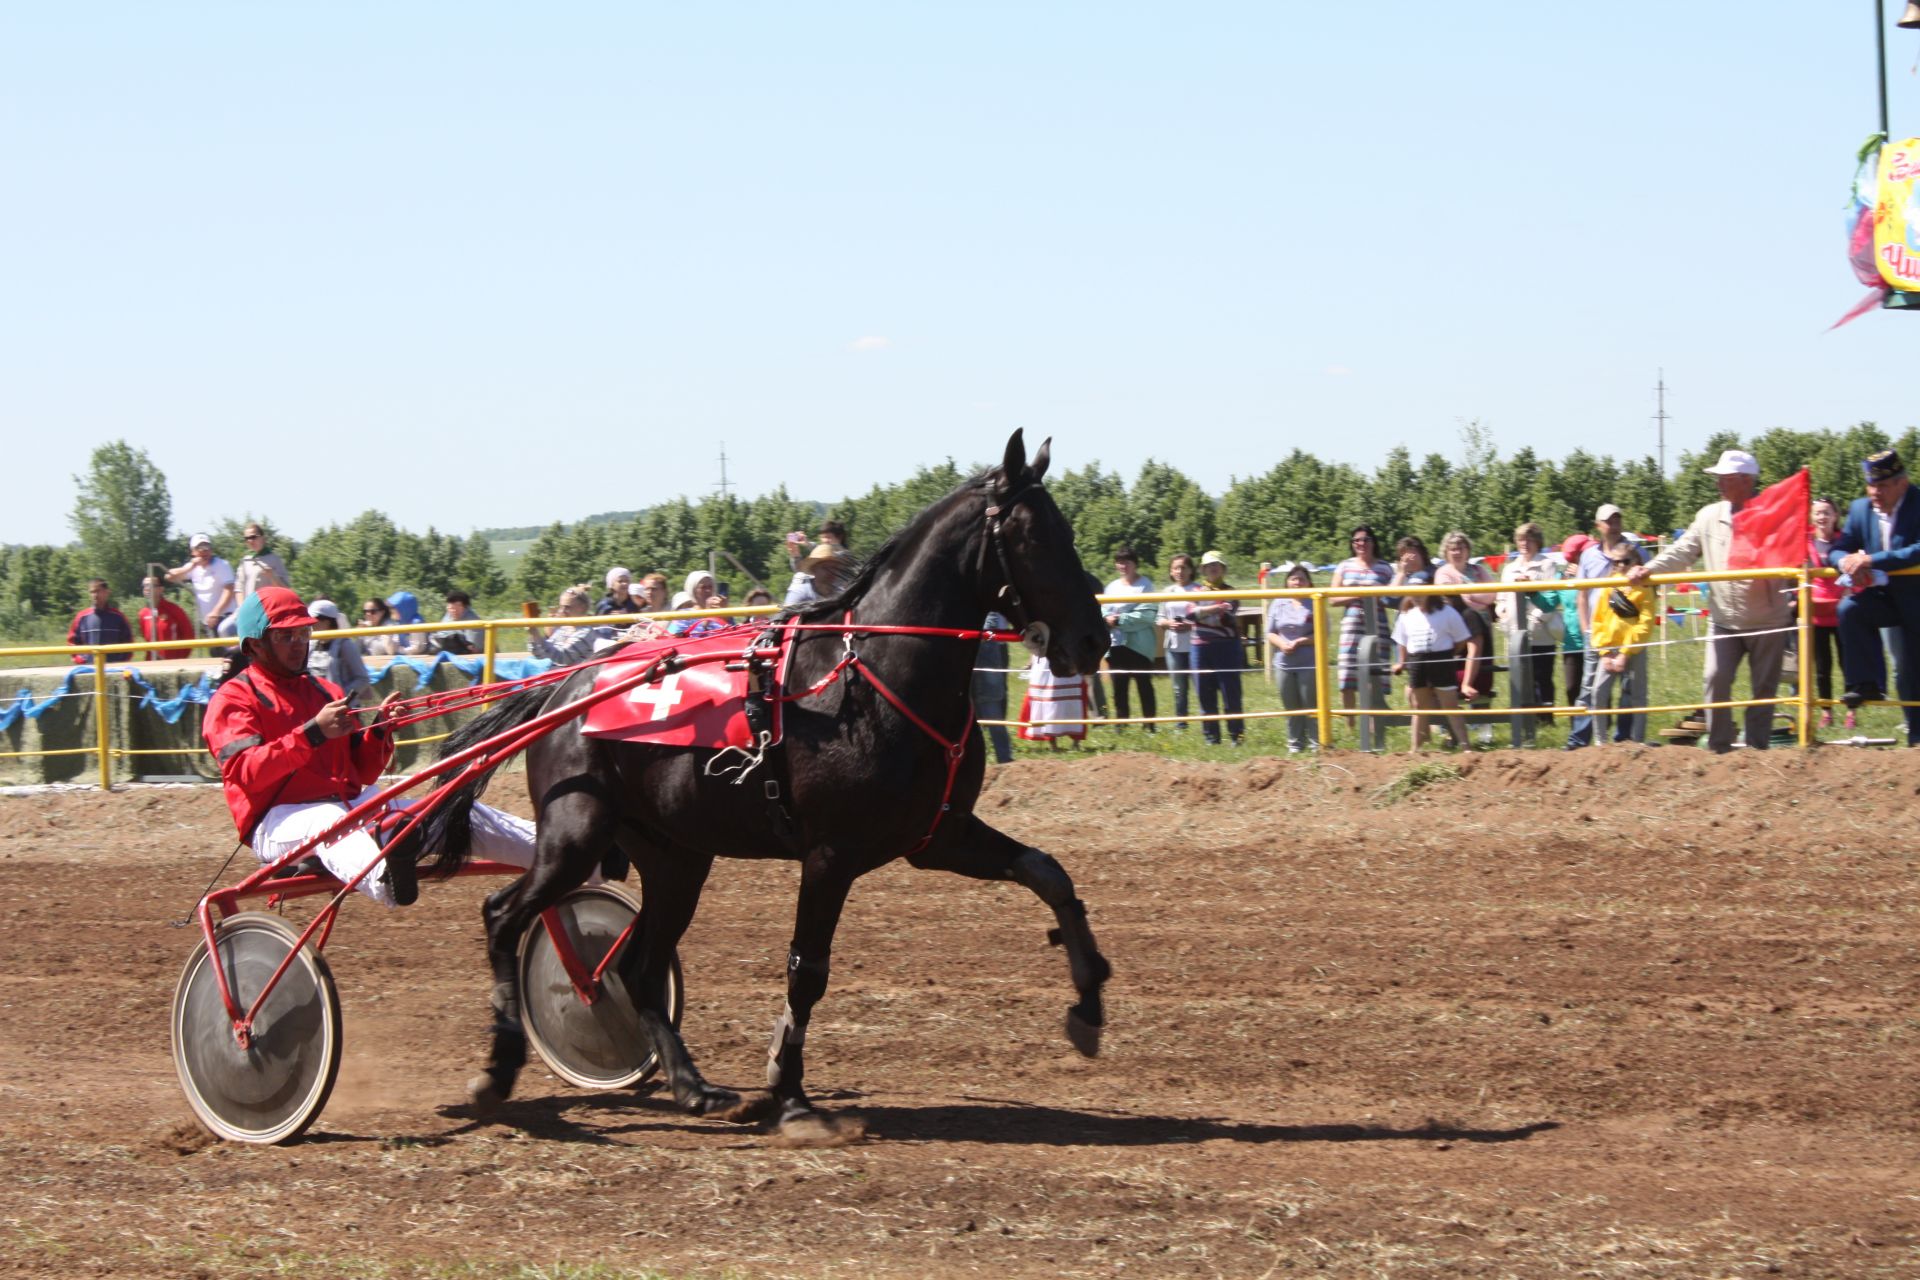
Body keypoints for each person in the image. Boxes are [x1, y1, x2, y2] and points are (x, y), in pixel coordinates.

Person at [201, 586, 537, 907]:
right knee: (327, 818)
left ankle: (560, 850)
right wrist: (312, 735)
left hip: (351, 809)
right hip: (277, 823)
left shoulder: (326, 691)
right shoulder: (234, 698)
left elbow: (361, 772)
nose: (298, 644)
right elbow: (246, 773)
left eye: (303, 634)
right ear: (255, 645)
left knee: (454, 807)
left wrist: (379, 731)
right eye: (285, 636)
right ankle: (388, 881)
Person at [1632, 449, 1792, 753]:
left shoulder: (1772, 515)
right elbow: (1682, 551)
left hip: (1768, 620)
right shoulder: (1708, 516)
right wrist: (1648, 569)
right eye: (1718, 478)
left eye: (1725, 478)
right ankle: (1720, 749)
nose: (1719, 483)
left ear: (1746, 481)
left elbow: (1791, 552)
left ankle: (1757, 750)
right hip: (1723, 620)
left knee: (1764, 690)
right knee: (1714, 679)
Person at [1829, 448, 1920, 745]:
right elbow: (1838, 547)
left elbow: (1916, 550)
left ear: (1901, 483)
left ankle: (1917, 738)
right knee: (1849, 610)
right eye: (1871, 485)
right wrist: (1846, 562)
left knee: (1910, 668)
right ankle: (1866, 684)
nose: (1874, 492)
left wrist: (1872, 561)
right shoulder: (1859, 509)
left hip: (1917, 600)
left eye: (1881, 485)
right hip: (1882, 598)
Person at [1566, 505, 1647, 748]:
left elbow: (1649, 585)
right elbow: (1582, 595)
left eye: (1617, 519)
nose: (1613, 524)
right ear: (1598, 525)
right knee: (1591, 687)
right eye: (1608, 521)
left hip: (1629, 632)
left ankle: (1626, 740)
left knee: (1630, 688)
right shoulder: (1589, 556)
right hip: (1598, 631)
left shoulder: (1636, 550)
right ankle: (1581, 741)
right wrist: (1586, 629)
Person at [1390, 586, 1475, 752]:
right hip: (1417, 662)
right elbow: (1402, 641)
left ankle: (1466, 747)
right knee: (1419, 707)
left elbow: (1461, 639)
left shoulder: (1447, 612)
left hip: (1441, 661)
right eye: (1413, 593)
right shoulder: (1406, 615)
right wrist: (1402, 661)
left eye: (1421, 593)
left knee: (1450, 705)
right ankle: (1415, 749)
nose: (1417, 597)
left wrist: (1448, 654)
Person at [1586, 544, 1655, 746]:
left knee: (1638, 695)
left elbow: (1646, 624)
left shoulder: (1645, 587)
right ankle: (1600, 742)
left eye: (1626, 561)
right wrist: (1605, 651)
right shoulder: (1609, 586)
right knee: (1598, 692)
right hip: (1609, 648)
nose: (1621, 566)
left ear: (1636, 562)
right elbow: (1597, 619)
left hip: (1634, 647)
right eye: (1616, 562)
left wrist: (1625, 652)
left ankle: (1638, 740)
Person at [1496, 522, 1565, 722]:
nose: (1525, 543)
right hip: (1514, 631)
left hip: (1541, 633)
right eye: (1521, 539)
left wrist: (1536, 619)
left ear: (1537, 542)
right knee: (1520, 677)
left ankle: (1545, 718)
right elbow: (1501, 598)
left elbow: (1552, 597)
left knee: (1542, 677)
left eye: (1529, 539)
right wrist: (1503, 614)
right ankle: (1525, 719)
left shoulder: (1547, 565)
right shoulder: (1509, 568)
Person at [1434, 531, 1498, 742]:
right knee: (1450, 679)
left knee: (1484, 678)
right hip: (1455, 629)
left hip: (1481, 627)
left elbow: (1492, 594)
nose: (1457, 552)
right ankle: (1450, 729)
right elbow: (1452, 596)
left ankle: (1483, 729)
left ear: (1468, 550)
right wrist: (1475, 597)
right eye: (1453, 548)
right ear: (1446, 552)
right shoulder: (1443, 572)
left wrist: (1470, 595)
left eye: (1461, 548)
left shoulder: (1479, 570)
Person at [1330, 526, 1395, 713]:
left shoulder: (1384, 568)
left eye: (1366, 539)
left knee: (1375, 674)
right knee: (1347, 673)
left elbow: (1392, 598)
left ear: (1373, 542)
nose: (1361, 544)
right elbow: (1333, 598)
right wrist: (1360, 595)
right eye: (1356, 540)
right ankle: (1350, 724)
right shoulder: (1344, 566)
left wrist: (1375, 596)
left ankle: (1375, 721)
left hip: (1378, 625)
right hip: (1351, 625)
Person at [1101, 547, 1159, 730]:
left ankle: (1149, 725)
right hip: (1116, 644)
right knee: (1119, 687)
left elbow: (1147, 615)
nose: (1123, 565)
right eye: (1119, 562)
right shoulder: (1111, 587)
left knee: (1144, 685)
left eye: (1126, 561)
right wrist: (1107, 619)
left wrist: (1119, 620)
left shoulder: (1145, 585)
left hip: (1140, 646)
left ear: (1135, 564)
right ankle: (1121, 724)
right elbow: (1103, 609)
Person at [1190, 551, 1245, 745]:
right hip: (1200, 647)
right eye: (1209, 565)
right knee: (1205, 693)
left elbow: (1228, 616)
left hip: (1227, 647)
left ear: (1223, 569)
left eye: (1217, 565)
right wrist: (1214, 608)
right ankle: (1211, 737)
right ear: (1203, 570)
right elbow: (1191, 615)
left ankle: (1236, 736)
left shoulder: (1232, 591)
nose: (1213, 568)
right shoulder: (1195, 591)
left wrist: (1203, 611)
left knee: (1231, 692)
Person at [1264, 563, 1319, 753]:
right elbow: (1269, 633)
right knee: (1291, 706)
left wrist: (1300, 641)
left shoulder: (1315, 601)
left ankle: (1316, 744)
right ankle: (1295, 745)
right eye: (1294, 578)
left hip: (1309, 662)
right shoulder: (1278, 602)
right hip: (1284, 662)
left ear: (1309, 583)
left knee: (1311, 704)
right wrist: (1281, 644)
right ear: (1287, 582)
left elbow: (1322, 633)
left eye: (1302, 579)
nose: (1297, 582)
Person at [1807, 496, 1847, 728]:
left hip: (1842, 612)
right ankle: (1826, 712)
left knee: (1847, 664)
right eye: (1818, 513)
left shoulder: (1845, 542)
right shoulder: (1807, 541)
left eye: (1827, 512)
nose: (1822, 517)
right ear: (1812, 517)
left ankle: (1851, 710)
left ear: (1835, 516)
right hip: (1817, 613)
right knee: (1823, 668)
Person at [216, 523, 292, 638]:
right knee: (224, 629)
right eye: (246, 538)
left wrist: (272, 576)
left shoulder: (274, 559)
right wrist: (242, 607)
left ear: (263, 538)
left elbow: (285, 590)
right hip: (247, 609)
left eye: (253, 537)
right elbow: (239, 587)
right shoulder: (245, 561)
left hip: (267, 611)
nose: (250, 541)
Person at [1155, 552, 1202, 730]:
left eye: (1183, 567)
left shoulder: (1199, 590)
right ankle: (1181, 723)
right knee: (1178, 688)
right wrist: (1169, 623)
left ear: (1191, 570)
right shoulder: (1167, 592)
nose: (1180, 571)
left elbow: (1204, 617)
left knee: (1200, 685)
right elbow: (1159, 618)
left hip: (1195, 644)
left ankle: (1206, 720)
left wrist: (1190, 625)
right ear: (1171, 571)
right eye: (1176, 568)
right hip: (1173, 646)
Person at [165, 534, 237, 637]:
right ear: (193, 551)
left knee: (229, 652)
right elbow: (168, 576)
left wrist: (216, 612)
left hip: (224, 617)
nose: (204, 551)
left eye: (207, 547)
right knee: (216, 652)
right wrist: (189, 568)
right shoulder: (193, 567)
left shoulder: (221, 565)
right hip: (209, 620)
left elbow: (229, 590)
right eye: (200, 548)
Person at [305, 599, 373, 705]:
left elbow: (362, 679)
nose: (310, 624)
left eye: (313, 620)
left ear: (327, 622)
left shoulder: (345, 645)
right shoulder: (312, 645)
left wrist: (340, 697)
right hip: (317, 707)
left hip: (342, 710)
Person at [1017, 653, 1088, 748]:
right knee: (1048, 696)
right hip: (1045, 662)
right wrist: (1031, 661)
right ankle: (1052, 742)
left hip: (1068, 657)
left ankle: (1076, 742)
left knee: (1072, 697)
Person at [1556, 534, 1593, 719]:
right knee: (1572, 689)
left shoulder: (1597, 572)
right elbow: (1549, 602)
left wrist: (1583, 574)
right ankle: (1576, 730)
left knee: (1597, 689)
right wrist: (1530, 591)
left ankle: (1600, 731)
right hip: (1572, 643)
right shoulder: (1562, 577)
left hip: (1596, 639)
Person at [973, 610, 1015, 764]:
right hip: (971, 665)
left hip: (986, 663)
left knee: (992, 711)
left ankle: (1004, 759)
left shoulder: (990, 611)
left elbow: (990, 627)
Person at [527, 585, 604, 666]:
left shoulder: (586, 632)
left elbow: (562, 659)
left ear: (582, 608)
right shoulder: (564, 628)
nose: (562, 611)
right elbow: (541, 654)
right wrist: (533, 636)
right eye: (561, 607)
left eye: (567, 607)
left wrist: (536, 635)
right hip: (551, 671)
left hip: (566, 676)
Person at [66, 579, 133, 663]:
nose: (95, 595)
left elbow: (129, 642)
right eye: (92, 592)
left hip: (114, 669)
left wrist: (120, 661)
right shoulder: (81, 617)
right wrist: (81, 660)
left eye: (98, 591)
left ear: (107, 592)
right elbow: (72, 642)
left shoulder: (118, 617)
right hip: (88, 669)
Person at [138, 576, 195, 661]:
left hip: (173, 662)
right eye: (144, 586)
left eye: (150, 585)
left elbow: (189, 635)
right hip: (151, 663)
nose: (146, 589)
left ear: (161, 589)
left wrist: (180, 658)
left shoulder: (174, 610)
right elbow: (146, 639)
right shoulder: (143, 613)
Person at [797, 520, 855, 599]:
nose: (824, 540)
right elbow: (822, 552)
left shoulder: (845, 555)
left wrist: (810, 545)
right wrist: (807, 543)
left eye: (828, 537)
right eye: (822, 537)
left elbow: (828, 554)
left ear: (839, 538)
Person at [431, 590, 485, 655]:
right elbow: (441, 635)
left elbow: (475, 649)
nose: (454, 611)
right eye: (451, 608)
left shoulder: (473, 621)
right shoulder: (448, 615)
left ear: (465, 607)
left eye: (458, 607)